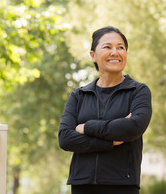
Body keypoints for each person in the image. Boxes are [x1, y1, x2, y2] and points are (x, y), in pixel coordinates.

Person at [58, 26, 152, 194]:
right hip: (82, 185)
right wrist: (109, 142)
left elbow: (133, 127)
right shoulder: (78, 95)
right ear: (93, 55)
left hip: (122, 185)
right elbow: (65, 138)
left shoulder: (138, 91)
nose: (115, 52)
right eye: (107, 47)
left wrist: (87, 127)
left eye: (120, 47)